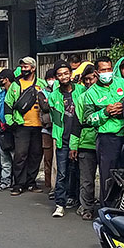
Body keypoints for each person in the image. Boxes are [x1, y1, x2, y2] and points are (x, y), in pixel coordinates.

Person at [81, 56, 124, 202]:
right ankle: (106, 208)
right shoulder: (91, 94)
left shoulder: (122, 83)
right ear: (96, 72)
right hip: (107, 139)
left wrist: (123, 108)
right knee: (108, 177)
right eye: (103, 70)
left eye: (109, 69)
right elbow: (88, 119)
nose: (107, 73)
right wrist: (105, 112)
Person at [5, 56, 47, 196]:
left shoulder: (41, 84)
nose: (23, 69)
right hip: (21, 126)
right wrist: (10, 121)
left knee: (36, 155)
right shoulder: (16, 85)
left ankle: (31, 182)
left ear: (33, 68)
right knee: (20, 155)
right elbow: (8, 104)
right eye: (22, 67)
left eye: (26, 67)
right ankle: (18, 184)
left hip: (39, 126)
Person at [48, 62, 81, 217]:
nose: (64, 77)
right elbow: (55, 120)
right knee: (62, 173)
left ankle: (76, 199)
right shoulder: (53, 96)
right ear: (56, 77)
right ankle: (60, 204)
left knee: (78, 171)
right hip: (63, 139)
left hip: (80, 138)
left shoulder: (81, 90)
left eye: (66, 73)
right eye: (60, 74)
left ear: (70, 74)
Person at [73, 62, 101, 220]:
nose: (89, 82)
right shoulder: (81, 98)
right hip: (86, 142)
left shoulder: (108, 93)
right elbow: (76, 123)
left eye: (92, 78)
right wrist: (74, 146)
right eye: (86, 80)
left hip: (104, 141)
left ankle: (105, 208)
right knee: (87, 180)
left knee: (106, 179)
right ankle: (87, 208)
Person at [0, 69, 16, 190]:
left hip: (13, 129)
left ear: (6, 79)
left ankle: (17, 182)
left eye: (0, 78)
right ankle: (5, 180)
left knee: (15, 157)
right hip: (2, 130)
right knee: (4, 158)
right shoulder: (1, 94)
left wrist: (11, 123)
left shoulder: (16, 92)